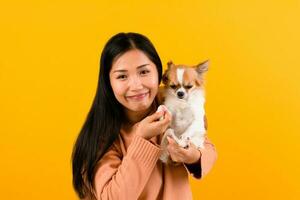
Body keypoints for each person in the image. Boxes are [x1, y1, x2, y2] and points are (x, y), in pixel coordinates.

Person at [72, 32, 217, 200]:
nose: (136, 85)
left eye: (144, 72)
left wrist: (193, 156)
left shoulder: (171, 101)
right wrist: (142, 139)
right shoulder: (101, 135)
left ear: (159, 74)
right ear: (108, 82)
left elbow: (208, 147)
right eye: (122, 76)